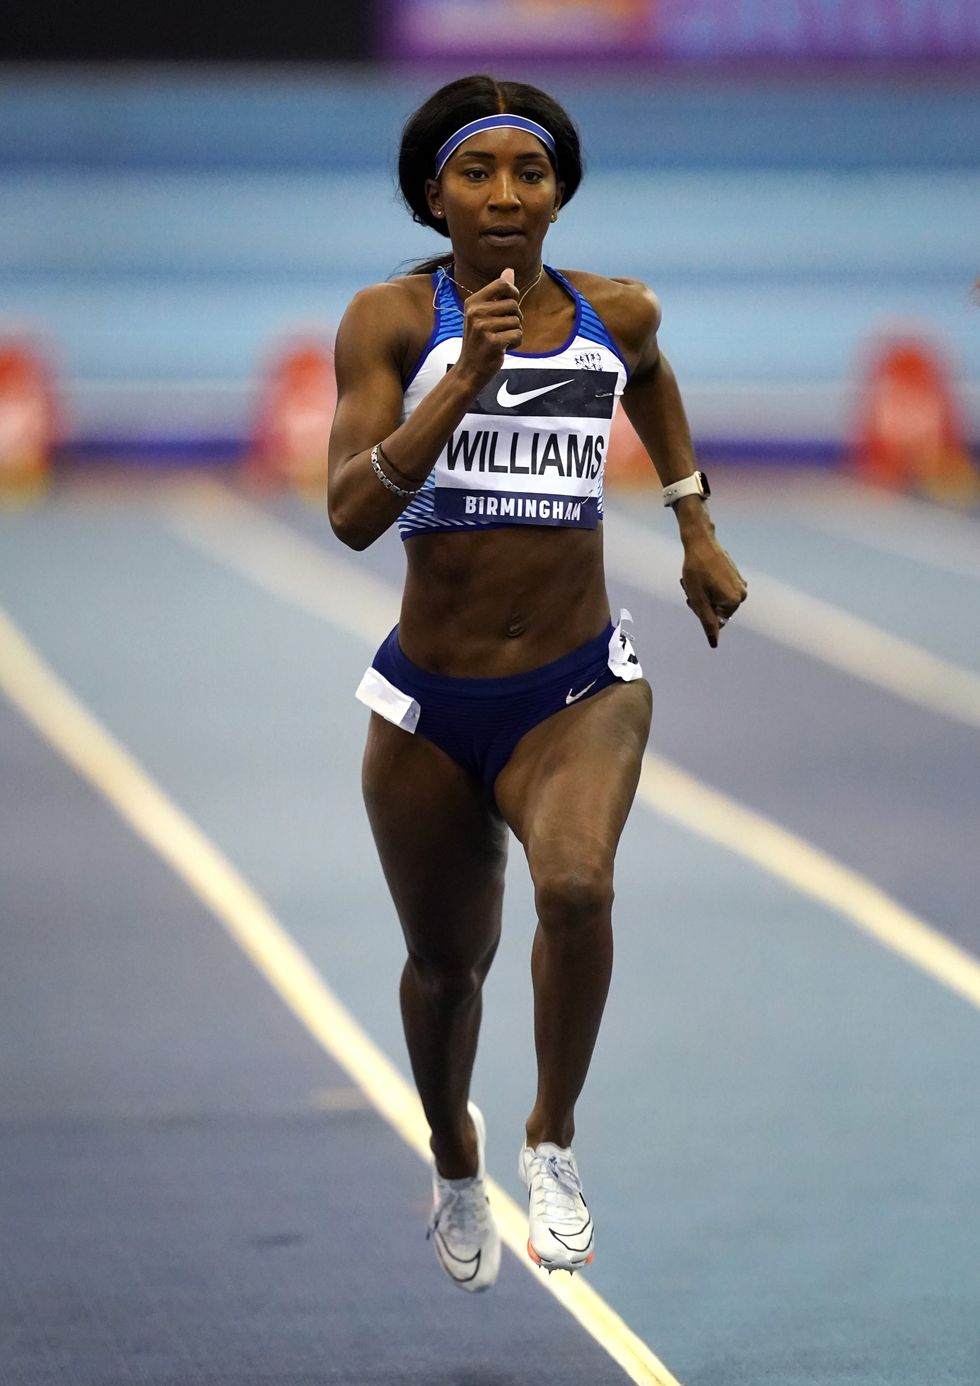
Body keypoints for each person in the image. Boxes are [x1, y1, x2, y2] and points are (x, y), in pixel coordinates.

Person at [327, 74, 747, 1292]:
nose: (506, 194)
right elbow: (349, 513)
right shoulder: (388, 324)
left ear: (559, 194)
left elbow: (648, 375)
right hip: (429, 704)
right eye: (477, 172)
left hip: (575, 688)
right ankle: (454, 1153)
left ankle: (549, 1143)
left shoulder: (616, 311)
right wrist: (463, 380)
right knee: (445, 968)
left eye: (531, 172)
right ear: (433, 198)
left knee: (574, 887)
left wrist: (692, 522)